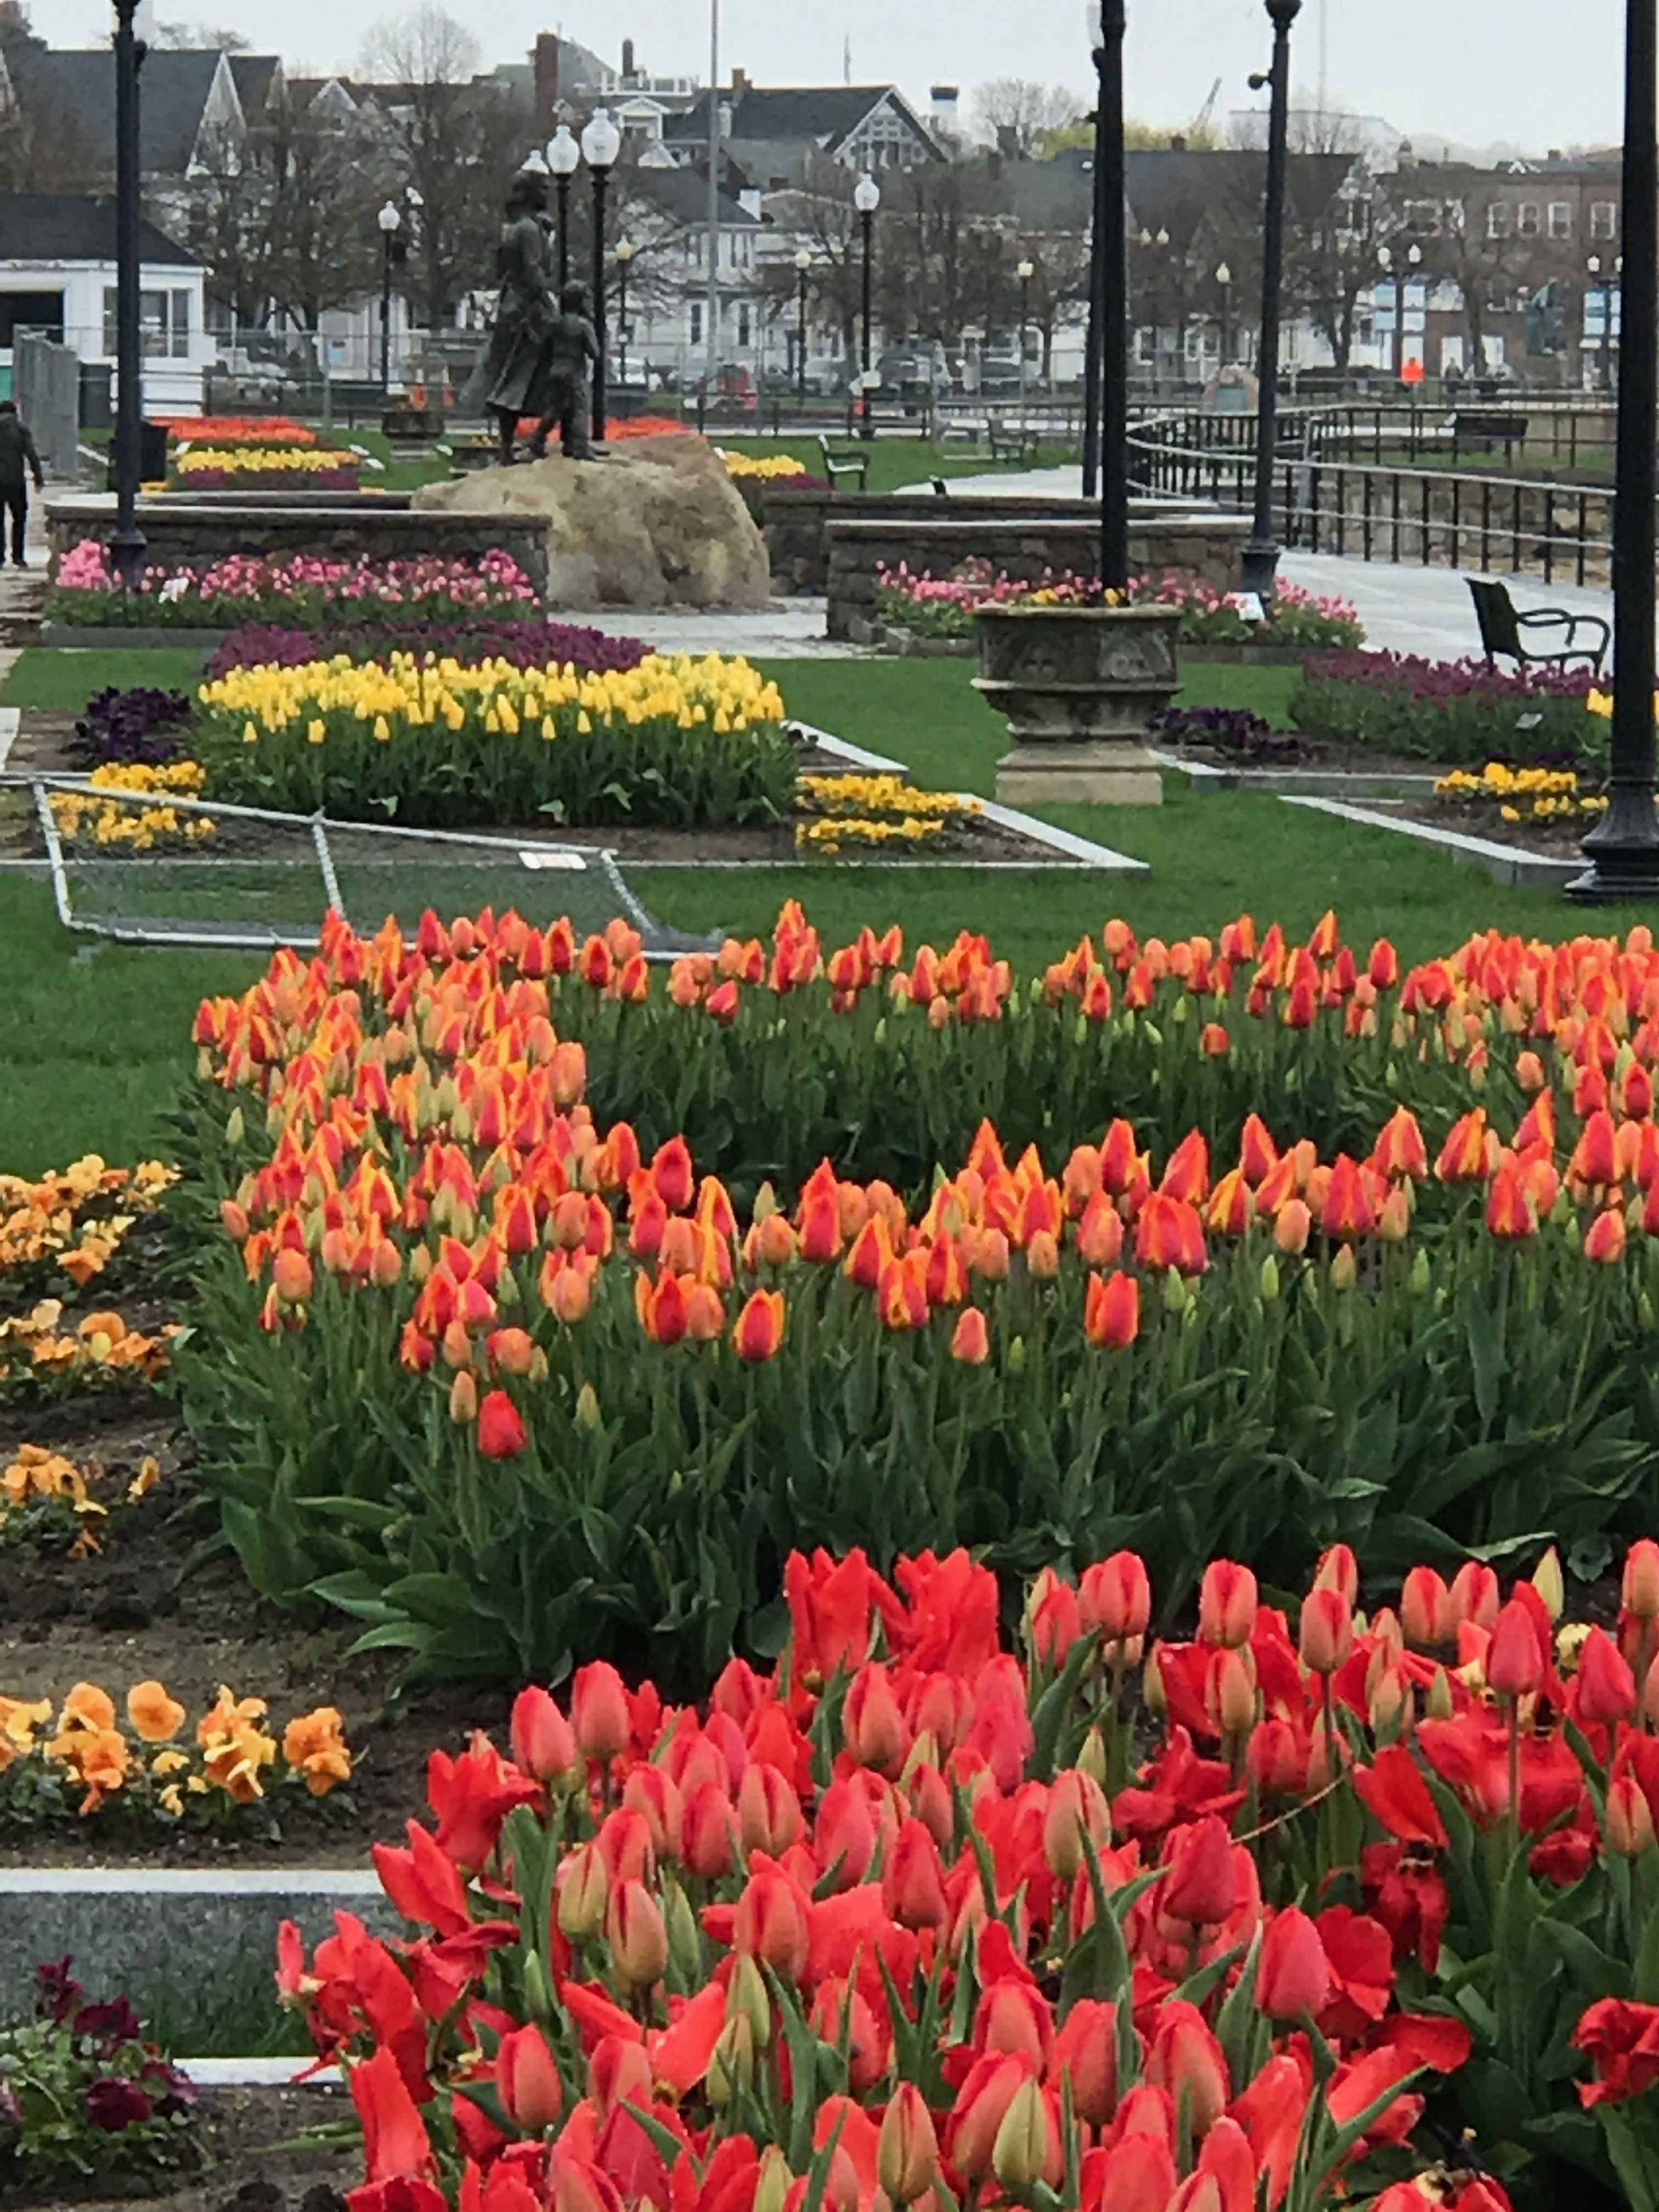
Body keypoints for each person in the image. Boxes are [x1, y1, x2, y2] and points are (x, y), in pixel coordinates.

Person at [463, 170, 560, 466]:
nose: (548, 193)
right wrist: (549, 304)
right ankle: (529, 440)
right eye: (543, 189)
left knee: (515, 377)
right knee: (530, 377)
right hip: (527, 311)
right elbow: (533, 272)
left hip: (513, 307)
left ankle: (520, 443)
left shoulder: (518, 228)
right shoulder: (529, 230)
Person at [528, 283, 601, 460]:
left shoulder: (555, 323)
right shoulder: (583, 325)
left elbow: (542, 346)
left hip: (556, 370)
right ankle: (580, 446)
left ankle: (537, 439)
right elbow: (595, 352)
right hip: (574, 371)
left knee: (555, 409)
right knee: (579, 408)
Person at [0, 399, 44, 568]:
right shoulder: (21, 429)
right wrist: (38, 477)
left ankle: (0, 557)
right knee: (19, 518)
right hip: (16, 481)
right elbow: (32, 454)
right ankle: (18, 556)